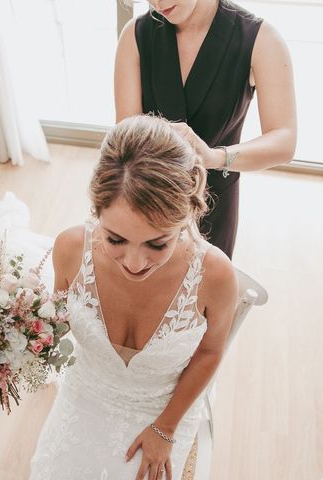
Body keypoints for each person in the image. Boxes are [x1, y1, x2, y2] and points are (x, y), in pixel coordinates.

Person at [29, 115, 238, 479]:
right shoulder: (69, 248)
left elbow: (210, 351)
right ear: (96, 210)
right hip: (86, 394)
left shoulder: (215, 276)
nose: (134, 262)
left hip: (164, 407)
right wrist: (17, 331)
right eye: (115, 239)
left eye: (157, 244)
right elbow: (56, 325)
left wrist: (165, 428)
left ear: (187, 214)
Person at [114, 0, 297, 258]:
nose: (158, 2)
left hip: (213, 202)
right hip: (144, 198)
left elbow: (284, 140)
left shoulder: (261, 39)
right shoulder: (135, 35)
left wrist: (215, 157)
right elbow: (126, 134)